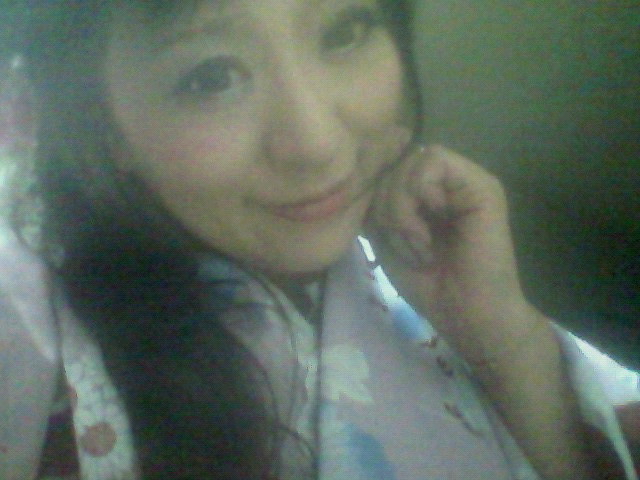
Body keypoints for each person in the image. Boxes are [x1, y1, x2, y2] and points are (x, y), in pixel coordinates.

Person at [0, 0, 636, 479]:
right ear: (104, 126)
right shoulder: (33, 334)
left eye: (344, 32)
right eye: (210, 77)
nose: (316, 144)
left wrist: (501, 337)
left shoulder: (429, 269)